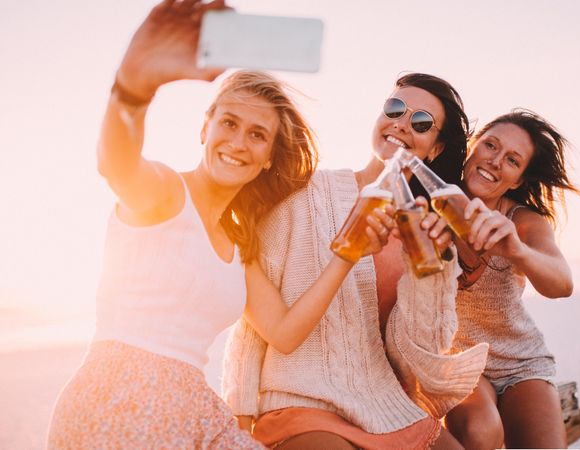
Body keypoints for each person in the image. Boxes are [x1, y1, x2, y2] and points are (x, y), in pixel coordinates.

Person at [47, 1, 394, 448]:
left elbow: (285, 333)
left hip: (194, 410)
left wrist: (347, 254)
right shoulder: (165, 194)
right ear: (204, 129)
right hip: (118, 400)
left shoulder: (237, 243)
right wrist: (132, 87)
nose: (238, 143)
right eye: (228, 123)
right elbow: (116, 163)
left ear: (269, 156)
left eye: (257, 134)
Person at [222, 73, 489, 450]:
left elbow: (414, 355)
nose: (401, 124)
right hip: (297, 402)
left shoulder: (428, 232)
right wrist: (241, 418)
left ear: (435, 148)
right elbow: (253, 325)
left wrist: (430, 274)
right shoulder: (305, 195)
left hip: (382, 406)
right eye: (395, 109)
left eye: (422, 123)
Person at [445, 109, 580, 449]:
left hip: (521, 361)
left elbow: (562, 283)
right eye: (490, 146)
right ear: (471, 147)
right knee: (479, 431)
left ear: (519, 179)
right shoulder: (432, 200)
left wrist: (517, 250)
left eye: (512, 160)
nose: (494, 161)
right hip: (458, 358)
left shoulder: (521, 220)